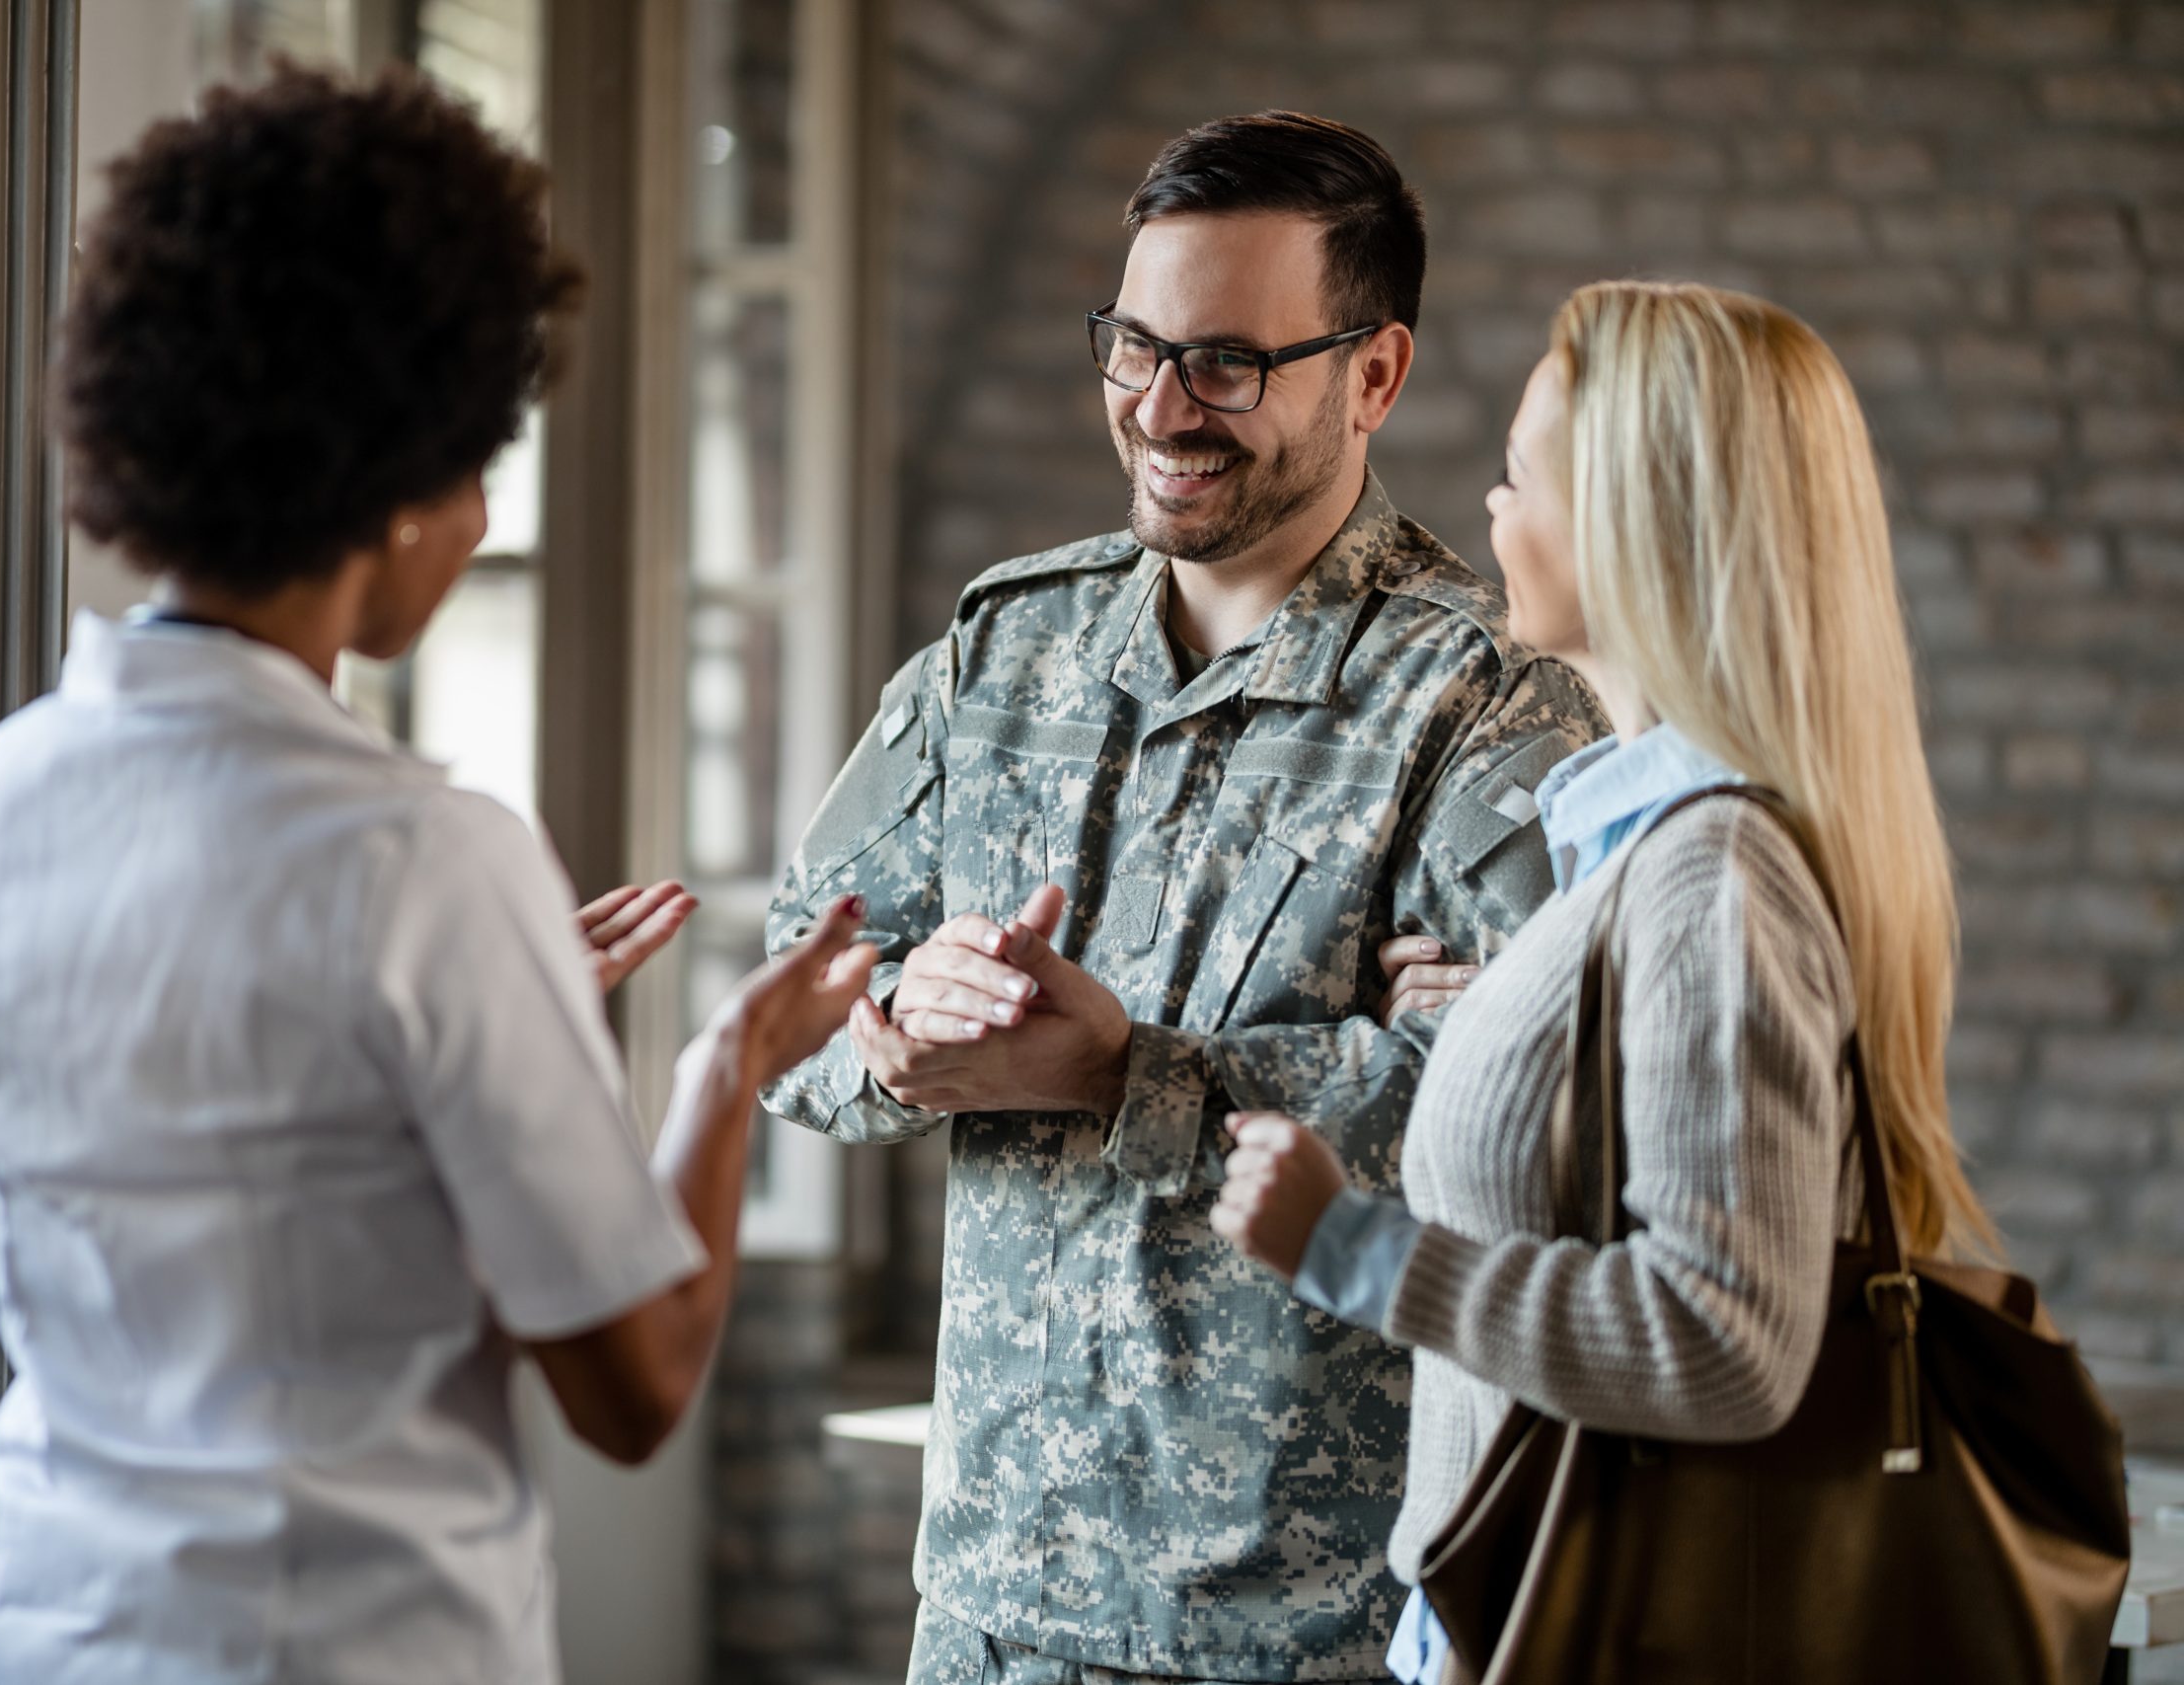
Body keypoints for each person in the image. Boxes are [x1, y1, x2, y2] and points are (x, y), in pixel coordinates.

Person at [0, 67, 875, 1685]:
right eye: (481, 460)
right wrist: (727, 1064)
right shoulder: (426, 863)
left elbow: (207, 1153)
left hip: (57, 1633)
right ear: (400, 471)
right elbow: (633, 1390)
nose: (485, 517)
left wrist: (491, 1011)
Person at [763, 113, 1604, 1683]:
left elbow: (1540, 1123)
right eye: (1133, 348)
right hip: (991, 1605)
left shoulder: (1487, 705)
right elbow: (794, 986)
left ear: (1373, 375)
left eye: (1225, 362)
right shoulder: (999, 651)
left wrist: (1131, 1075)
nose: (1161, 409)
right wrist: (891, 1035)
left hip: (1310, 1630)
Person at [1213, 279, 1997, 1684]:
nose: (1493, 514)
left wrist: (1351, 1247)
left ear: (1634, 521)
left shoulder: (1712, 879)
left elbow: (1724, 1342)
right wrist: (1507, 1029)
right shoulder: (1659, 864)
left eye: (1522, 474)